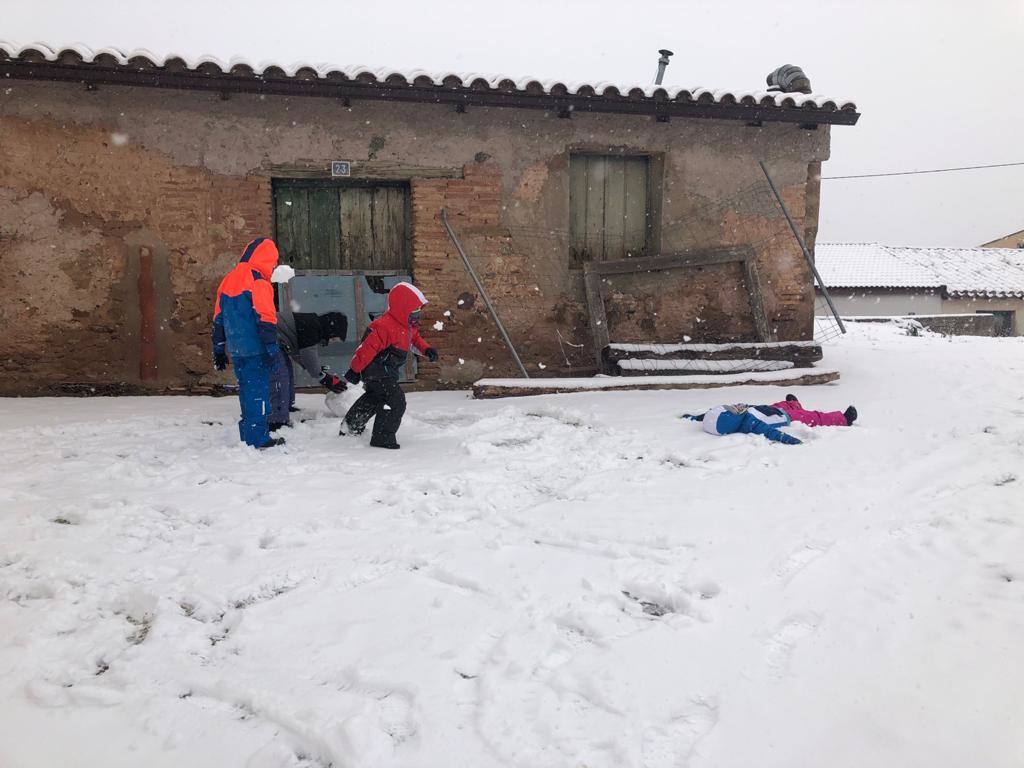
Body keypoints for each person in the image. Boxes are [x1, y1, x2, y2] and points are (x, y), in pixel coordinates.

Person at [340, 282, 438, 449]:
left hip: (385, 371)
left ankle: (351, 426)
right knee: (396, 401)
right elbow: (366, 349)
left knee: (375, 397)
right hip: (375, 370)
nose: (417, 316)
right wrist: (355, 370)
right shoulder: (384, 326)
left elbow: (414, 340)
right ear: (403, 309)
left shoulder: (407, 326)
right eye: (414, 312)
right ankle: (382, 437)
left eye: (418, 312)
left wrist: (426, 349)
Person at [212, 237, 285, 449]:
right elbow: (266, 317)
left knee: (246, 391)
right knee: (259, 393)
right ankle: (258, 439)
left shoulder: (228, 280)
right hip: (256, 348)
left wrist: (218, 348)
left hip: (237, 349)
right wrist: (271, 347)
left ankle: (248, 433)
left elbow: (218, 318)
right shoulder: (258, 280)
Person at [268, 307, 349, 431]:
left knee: (286, 372)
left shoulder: (312, 323)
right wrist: (323, 377)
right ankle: (276, 421)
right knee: (280, 377)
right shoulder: (312, 326)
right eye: (333, 338)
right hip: (268, 337)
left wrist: (320, 373)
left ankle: (284, 407)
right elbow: (308, 354)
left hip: (274, 339)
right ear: (331, 330)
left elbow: (299, 354)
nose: (330, 342)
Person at [684, 403, 803, 445]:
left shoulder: (718, 417)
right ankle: (796, 408)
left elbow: (709, 417)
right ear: (733, 419)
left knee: (778, 404)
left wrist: (693, 417)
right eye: (733, 410)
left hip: (764, 408)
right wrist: (789, 439)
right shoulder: (750, 423)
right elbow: (770, 432)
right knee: (812, 416)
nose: (735, 406)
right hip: (784, 416)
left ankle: (793, 404)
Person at [773, 394, 856, 427]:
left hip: (762, 413)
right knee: (808, 417)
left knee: (777, 407)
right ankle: (843, 419)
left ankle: (794, 405)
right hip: (771, 421)